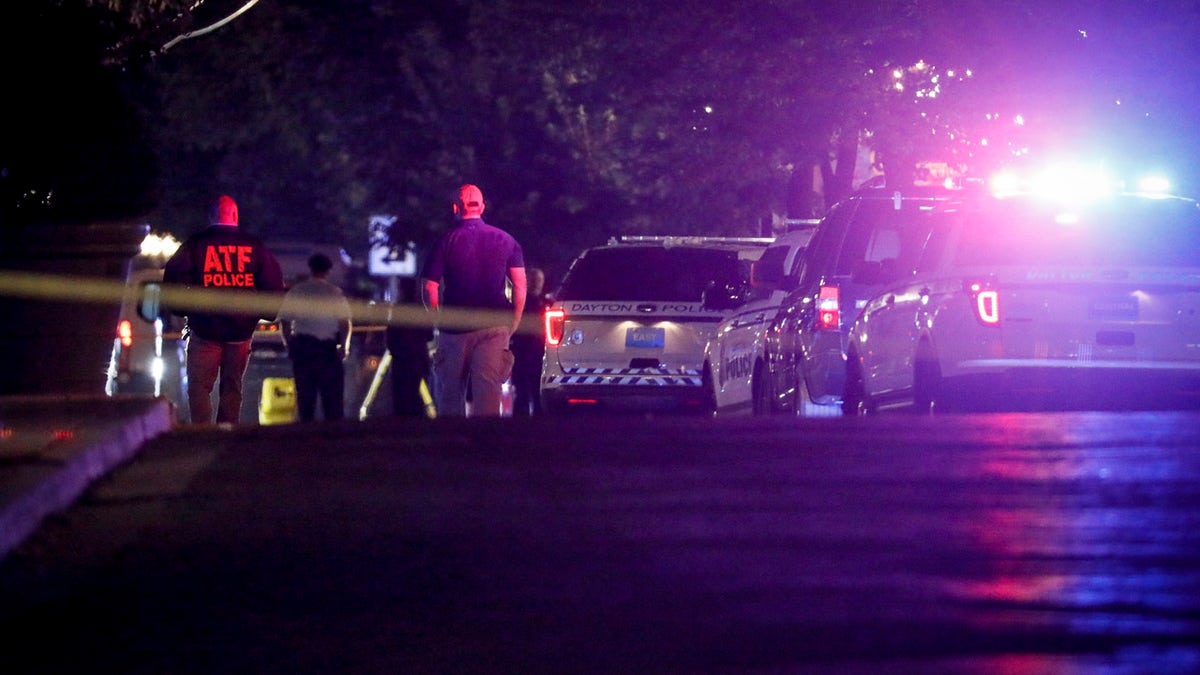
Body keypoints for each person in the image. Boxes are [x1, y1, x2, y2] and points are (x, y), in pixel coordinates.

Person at [163, 195, 285, 424]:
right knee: (232, 387)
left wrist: (184, 307)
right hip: (240, 331)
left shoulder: (196, 244)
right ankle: (226, 431)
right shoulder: (254, 246)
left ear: (211, 217)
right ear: (235, 216)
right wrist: (259, 313)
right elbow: (273, 285)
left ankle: (203, 433)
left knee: (199, 387)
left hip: (205, 329)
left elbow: (173, 278)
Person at [420, 184, 526, 417]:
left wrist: (437, 318)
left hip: (455, 328)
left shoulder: (445, 240)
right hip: (495, 325)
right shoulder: (507, 240)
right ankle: (485, 446)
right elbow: (519, 284)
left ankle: (453, 444)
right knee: (488, 390)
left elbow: (429, 286)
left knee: (450, 393)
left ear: (455, 208)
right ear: (483, 207)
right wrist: (514, 322)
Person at [277, 252, 352, 421]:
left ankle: (306, 440)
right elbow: (344, 323)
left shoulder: (297, 291)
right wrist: (344, 347)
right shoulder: (334, 293)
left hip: (304, 347)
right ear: (328, 271)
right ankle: (332, 439)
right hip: (327, 350)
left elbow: (286, 322)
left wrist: (290, 345)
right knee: (332, 398)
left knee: (305, 398)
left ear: (310, 269)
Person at [385, 277, 434, 418]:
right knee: (414, 391)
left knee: (400, 394)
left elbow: (391, 333)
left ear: (401, 289)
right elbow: (429, 334)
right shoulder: (421, 308)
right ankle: (417, 423)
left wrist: (394, 349)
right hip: (417, 356)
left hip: (401, 357)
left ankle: (400, 427)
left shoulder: (397, 308)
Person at [510, 267, 548, 416]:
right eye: (533, 280)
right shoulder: (519, 304)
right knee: (522, 395)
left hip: (540, 356)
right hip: (522, 355)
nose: (536, 283)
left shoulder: (547, 304)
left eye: (539, 280)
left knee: (538, 396)